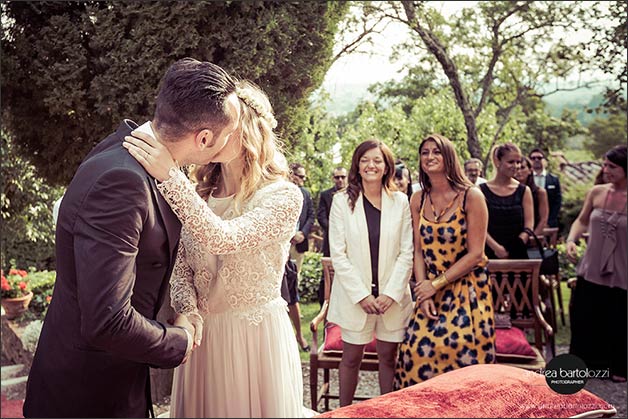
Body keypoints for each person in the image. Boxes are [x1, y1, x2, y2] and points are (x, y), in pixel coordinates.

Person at [23, 58, 240, 418]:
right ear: (204, 138)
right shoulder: (123, 182)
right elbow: (108, 320)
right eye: (229, 133)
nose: (231, 141)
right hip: (86, 395)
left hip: (116, 380)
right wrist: (179, 341)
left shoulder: (127, 146)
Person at [124, 79, 307, 417]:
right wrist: (188, 310)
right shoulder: (201, 194)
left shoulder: (283, 197)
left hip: (254, 341)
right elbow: (181, 267)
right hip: (203, 341)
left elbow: (223, 237)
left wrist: (170, 177)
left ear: (248, 129)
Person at [394, 134, 495, 387]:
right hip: (430, 289)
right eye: (425, 152)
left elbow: (476, 254)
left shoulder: (472, 196)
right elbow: (417, 249)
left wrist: (435, 284)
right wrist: (424, 292)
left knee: (460, 355)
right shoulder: (418, 198)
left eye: (436, 152)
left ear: (448, 156)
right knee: (413, 354)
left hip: (467, 288)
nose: (429, 157)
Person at [328, 139, 414, 407]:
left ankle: (386, 411)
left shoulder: (400, 202)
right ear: (357, 165)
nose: (371, 165)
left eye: (377, 160)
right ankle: (344, 412)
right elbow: (338, 255)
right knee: (351, 359)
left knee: (389, 358)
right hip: (357, 298)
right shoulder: (342, 202)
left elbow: (406, 252)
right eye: (365, 160)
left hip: (392, 298)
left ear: (387, 166)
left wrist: (390, 293)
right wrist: (362, 295)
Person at [566, 145, 627, 383]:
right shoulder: (597, 192)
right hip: (591, 267)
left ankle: (620, 365)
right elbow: (580, 222)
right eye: (605, 165)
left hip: (623, 270)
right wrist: (572, 240)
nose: (605, 170)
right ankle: (585, 365)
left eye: (612, 166)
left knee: (620, 318)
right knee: (584, 317)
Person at [480, 143, 534, 259]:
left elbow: (529, 224)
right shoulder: (480, 191)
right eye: (511, 162)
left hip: (517, 252)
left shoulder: (524, 191)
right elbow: (477, 225)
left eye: (518, 162)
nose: (516, 166)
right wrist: (496, 248)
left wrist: (519, 242)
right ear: (498, 162)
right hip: (488, 253)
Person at [288, 162, 315, 351]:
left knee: (292, 285)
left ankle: (297, 335)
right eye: (300, 175)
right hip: (281, 244)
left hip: (299, 244)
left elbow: (311, 216)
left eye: (304, 177)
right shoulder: (278, 189)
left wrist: (303, 234)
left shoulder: (305, 193)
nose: (302, 180)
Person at [316, 166, 347, 305]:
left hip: (351, 240)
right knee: (328, 273)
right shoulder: (325, 195)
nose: (340, 180)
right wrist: (336, 229)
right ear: (333, 178)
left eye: (343, 177)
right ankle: (325, 303)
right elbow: (321, 216)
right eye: (337, 177)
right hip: (330, 240)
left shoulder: (353, 193)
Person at [515, 156, 549, 236]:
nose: (519, 171)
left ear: (530, 170)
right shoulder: (509, 191)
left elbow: (543, 219)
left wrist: (532, 237)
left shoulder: (540, 192)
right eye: (517, 168)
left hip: (533, 236)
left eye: (522, 168)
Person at [529, 148, 562, 228]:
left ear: (544, 160)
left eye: (539, 158)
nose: (536, 160)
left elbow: (557, 203)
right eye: (533, 158)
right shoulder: (527, 179)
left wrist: (549, 222)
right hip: (530, 222)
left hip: (549, 223)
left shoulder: (554, 180)